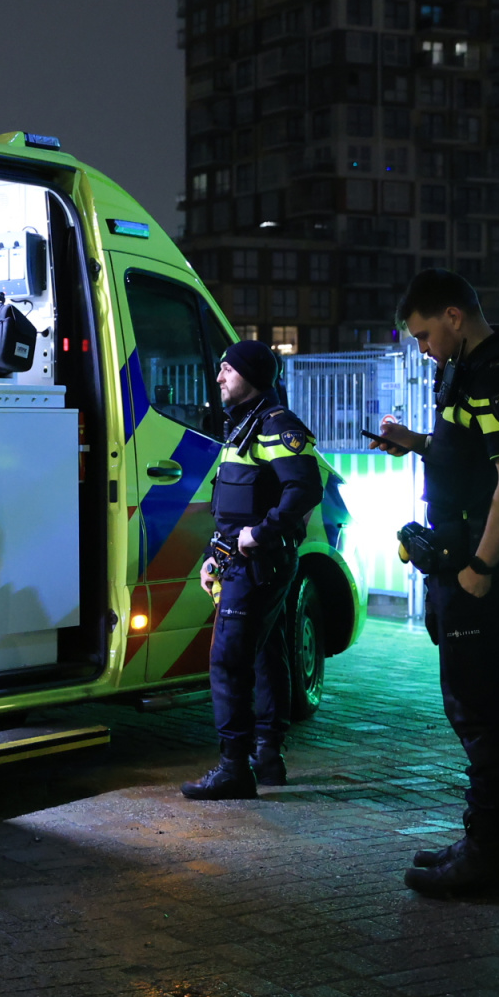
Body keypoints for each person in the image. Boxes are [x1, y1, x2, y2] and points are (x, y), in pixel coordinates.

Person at [370, 270, 499, 899]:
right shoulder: (467, 370)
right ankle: (487, 843)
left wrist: (481, 567)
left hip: (481, 571)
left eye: (424, 335)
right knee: (473, 709)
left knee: (484, 715)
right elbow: (471, 456)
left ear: (453, 315)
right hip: (461, 563)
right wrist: (416, 443)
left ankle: (488, 857)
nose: (423, 349)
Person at [181, 338, 323, 801]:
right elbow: (234, 506)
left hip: (258, 563)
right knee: (266, 656)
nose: (219, 376)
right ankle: (267, 758)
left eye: (228, 369)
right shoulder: (244, 426)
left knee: (229, 663)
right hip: (243, 562)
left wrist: (261, 534)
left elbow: (304, 489)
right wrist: (214, 554)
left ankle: (233, 770)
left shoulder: (277, 426)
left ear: (253, 376)